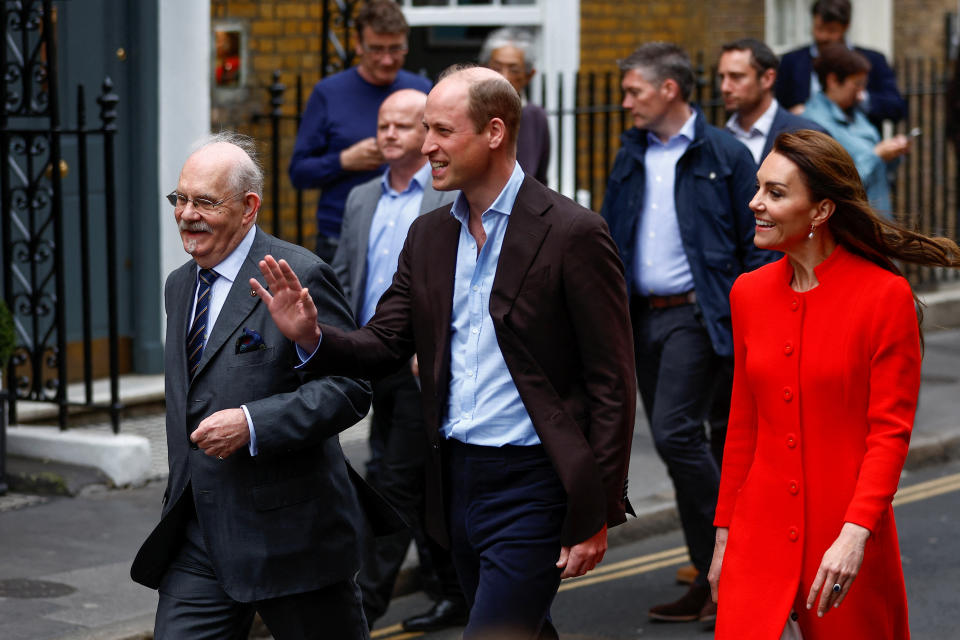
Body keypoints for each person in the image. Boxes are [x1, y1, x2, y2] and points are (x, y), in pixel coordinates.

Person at [252, 65, 636, 640]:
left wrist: (597, 508)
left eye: (442, 131)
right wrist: (311, 336)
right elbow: (384, 343)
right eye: (425, 129)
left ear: (495, 132)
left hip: (534, 481)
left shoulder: (573, 232)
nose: (426, 145)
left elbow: (612, 382)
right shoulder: (429, 235)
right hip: (454, 478)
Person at [707, 129, 960, 639]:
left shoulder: (883, 297)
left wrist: (854, 535)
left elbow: (888, 434)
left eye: (775, 193)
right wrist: (723, 538)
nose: (755, 203)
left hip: (843, 529)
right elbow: (743, 423)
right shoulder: (748, 293)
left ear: (820, 211)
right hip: (758, 527)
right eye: (759, 188)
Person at [130, 133, 379, 639]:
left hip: (291, 536)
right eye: (180, 198)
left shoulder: (298, 273)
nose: (185, 214)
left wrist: (252, 423)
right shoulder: (179, 284)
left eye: (204, 202)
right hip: (198, 534)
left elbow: (350, 388)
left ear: (248, 208)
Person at [599, 42, 771, 625]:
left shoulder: (724, 152)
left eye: (633, 92)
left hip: (697, 316)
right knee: (680, 446)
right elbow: (609, 235)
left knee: (675, 434)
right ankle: (713, 570)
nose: (625, 103)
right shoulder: (630, 152)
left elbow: (758, 244)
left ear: (668, 89)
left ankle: (737, 552)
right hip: (638, 315)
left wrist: (742, 312)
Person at [332, 88, 466, 632]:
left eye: (403, 126)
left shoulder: (444, 194)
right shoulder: (362, 197)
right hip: (372, 356)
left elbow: (460, 282)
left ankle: (362, 605)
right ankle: (452, 590)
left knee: (394, 480)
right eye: (383, 125)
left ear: (427, 134)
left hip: (420, 363)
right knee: (418, 478)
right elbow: (344, 276)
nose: (389, 134)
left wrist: (434, 349)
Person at [289, 0, 431, 263]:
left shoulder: (421, 90)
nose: (387, 59)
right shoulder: (329, 93)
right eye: (376, 49)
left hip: (411, 231)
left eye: (395, 48)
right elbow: (298, 173)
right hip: (341, 236)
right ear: (358, 45)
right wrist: (344, 161)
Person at [802, 43, 909, 217]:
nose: (862, 93)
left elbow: (880, 172)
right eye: (857, 85)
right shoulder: (813, 123)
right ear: (833, 81)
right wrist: (877, 155)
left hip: (877, 218)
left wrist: (893, 154)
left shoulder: (855, 112)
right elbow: (835, 185)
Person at [775, 0, 906, 129]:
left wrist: (859, 95)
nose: (823, 36)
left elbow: (896, 108)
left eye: (831, 30)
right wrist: (791, 115)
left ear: (846, 27)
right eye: (818, 28)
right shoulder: (791, 61)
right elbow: (775, 107)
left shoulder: (873, 60)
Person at [718, 38, 827, 165]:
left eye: (736, 77)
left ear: (767, 79)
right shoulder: (713, 141)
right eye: (721, 77)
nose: (724, 87)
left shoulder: (807, 136)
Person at [479, 26, 550, 184]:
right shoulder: (472, 111)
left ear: (529, 75)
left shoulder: (536, 117)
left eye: (514, 70)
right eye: (496, 68)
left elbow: (540, 180)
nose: (504, 76)